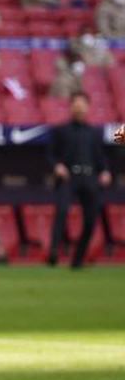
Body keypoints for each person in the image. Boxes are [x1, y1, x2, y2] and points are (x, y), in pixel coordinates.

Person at [47, 92, 111, 269]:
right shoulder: (61, 130)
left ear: (88, 107)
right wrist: (57, 166)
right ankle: (53, 251)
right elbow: (51, 154)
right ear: (71, 106)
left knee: (91, 219)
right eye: (76, 103)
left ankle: (78, 259)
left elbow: (100, 157)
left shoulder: (94, 132)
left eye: (83, 104)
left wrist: (105, 171)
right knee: (61, 211)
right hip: (69, 178)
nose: (79, 107)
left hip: (89, 178)